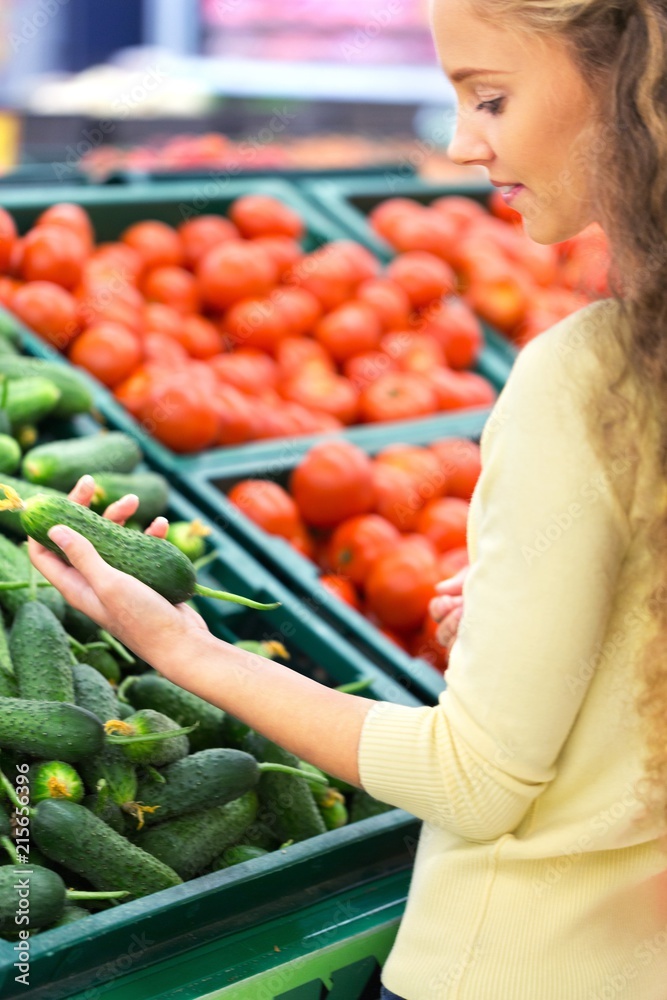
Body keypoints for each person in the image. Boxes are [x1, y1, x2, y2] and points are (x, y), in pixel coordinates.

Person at [28, 0, 667, 996]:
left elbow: (473, 781)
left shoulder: (589, 380)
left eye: (490, 98)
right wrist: (539, 632)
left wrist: (187, 650)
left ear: (631, 84)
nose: (459, 144)